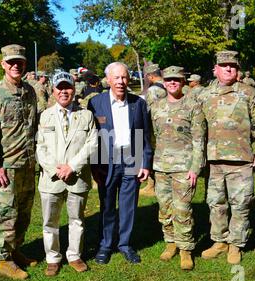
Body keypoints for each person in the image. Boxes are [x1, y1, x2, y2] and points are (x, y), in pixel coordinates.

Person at [199, 50, 255, 264]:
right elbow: (195, 126)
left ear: (237, 69)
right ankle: (220, 241)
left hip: (241, 160)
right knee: (216, 203)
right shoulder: (204, 94)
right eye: (224, 65)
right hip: (213, 161)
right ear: (216, 69)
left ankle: (235, 244)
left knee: (241, 203)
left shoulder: (249, 93)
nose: (229, 68)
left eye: (233, 65)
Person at [0, 44, 38, 280]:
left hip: (27, 164)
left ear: (24, 65)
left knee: (23, 212)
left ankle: (15, 251)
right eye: (11, 62)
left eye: (19, 62)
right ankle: (3, 260)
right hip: (6, 168)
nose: (15, 65)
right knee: (5, 213)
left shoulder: (30, 92)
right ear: (3, 64)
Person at [88, 62, 153, 264]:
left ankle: (124, 244)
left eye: (124, 77)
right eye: (116, 78)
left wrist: (146, 163)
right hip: (106, 161)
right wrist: (94, 166)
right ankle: (105, 245)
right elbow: (91, 138)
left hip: (131, 158)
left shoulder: (138, 104)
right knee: (107, 204)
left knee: (128, 205)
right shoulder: (95, 103)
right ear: (108, 80)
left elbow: (146, 137)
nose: (121, 82)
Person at [36, 71, 98, 276]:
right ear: (53, 91)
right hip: (51, 179)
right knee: (50, 222)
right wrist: (57, 170)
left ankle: (74, 255)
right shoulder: (45, 116)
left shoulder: (86, 115)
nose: (64, 91)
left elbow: (92, 144)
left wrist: (72, 166)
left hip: (77, 177)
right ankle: (53, 258)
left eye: (68, 87)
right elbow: (40, 148)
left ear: (74, 89)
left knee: (77, 220)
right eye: (59, 87)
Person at [150, 66, 206, 270]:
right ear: (164, 82)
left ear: (183, 82)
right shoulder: (156, 106)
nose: (172, 82)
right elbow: (153, 135)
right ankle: (171, 242)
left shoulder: (193, 106)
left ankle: (186, 249)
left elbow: (200, 139)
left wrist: (195, 168)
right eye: (169, 79)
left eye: (177, 79)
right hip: (161, 167)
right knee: (164, 209)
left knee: (182, 210)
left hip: (184, 167)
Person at [140, 64, 167, 196]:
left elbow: (150, 110)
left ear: (150, 76)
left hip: (154, 127)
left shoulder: (152, 90)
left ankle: (152, 185)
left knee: (152, 153)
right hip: (167, 126)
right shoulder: (168, 85)